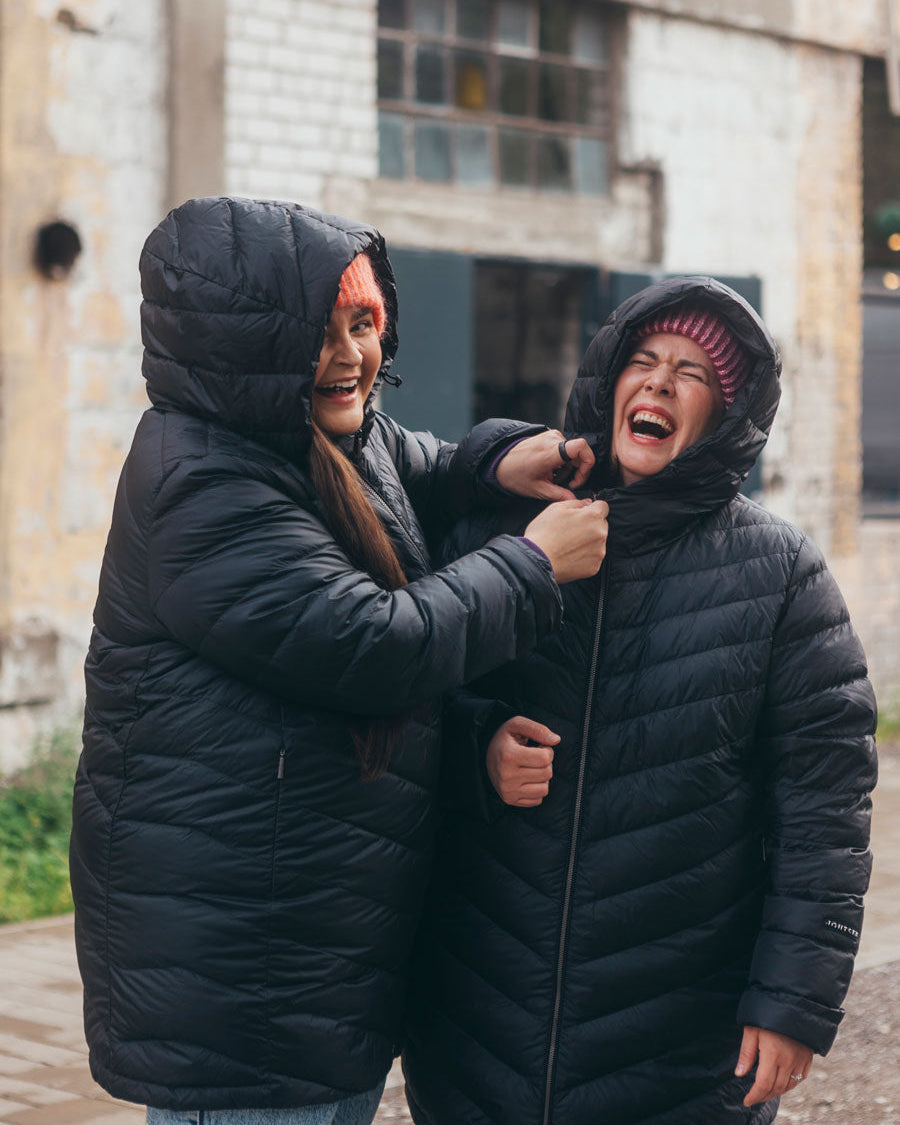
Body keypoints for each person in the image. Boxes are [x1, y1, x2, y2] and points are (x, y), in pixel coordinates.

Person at [68, 195, 611, 1125]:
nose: (353, 354)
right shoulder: (202, 481)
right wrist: (531, 566)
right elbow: (377, 644)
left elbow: (412, 464)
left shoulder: (312, 436)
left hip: (306, 957)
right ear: (242, 348)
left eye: (365, 322)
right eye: (320, 330)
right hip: (241, 982)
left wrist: (497, 461)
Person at [403, 276, 878, 1125]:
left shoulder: (781, 575)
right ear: (608, 381)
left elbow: (825, 804)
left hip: (674, 1053)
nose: (658, 382)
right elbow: (405, 695)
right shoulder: (507, 533)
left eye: (692, 372)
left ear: (728, 415)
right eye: (644, 361)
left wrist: (793, 999)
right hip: (480, 1026)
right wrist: (476, 744)